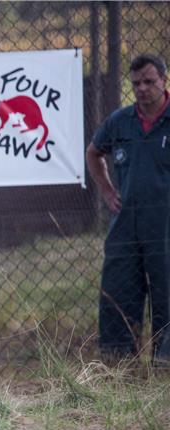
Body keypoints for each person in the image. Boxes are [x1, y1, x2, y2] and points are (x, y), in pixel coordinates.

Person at [86, 54, 170, 365]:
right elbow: (94, 153)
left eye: (150, 82)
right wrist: (107, 191)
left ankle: (165, 359)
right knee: (118, 290)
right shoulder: (120, 122)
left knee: (167, 292)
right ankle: (119, 363)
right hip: (127, 222)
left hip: (165, 224)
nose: (143, 89)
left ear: (164, 80)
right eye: (136, 83)